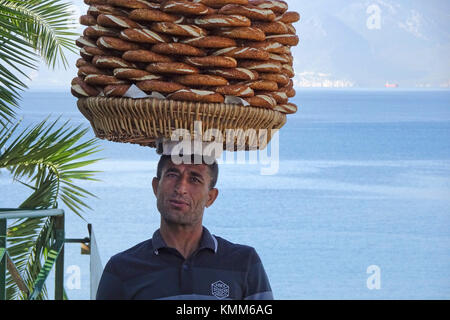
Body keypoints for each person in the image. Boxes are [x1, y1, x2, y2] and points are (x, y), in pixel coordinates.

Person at [96, 154, 273, 300]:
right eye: (172, 175)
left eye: (194, 179)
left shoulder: (245, 262)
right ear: (156, 187)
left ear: (210, 197)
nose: (181, 188)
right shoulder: (121, 269)